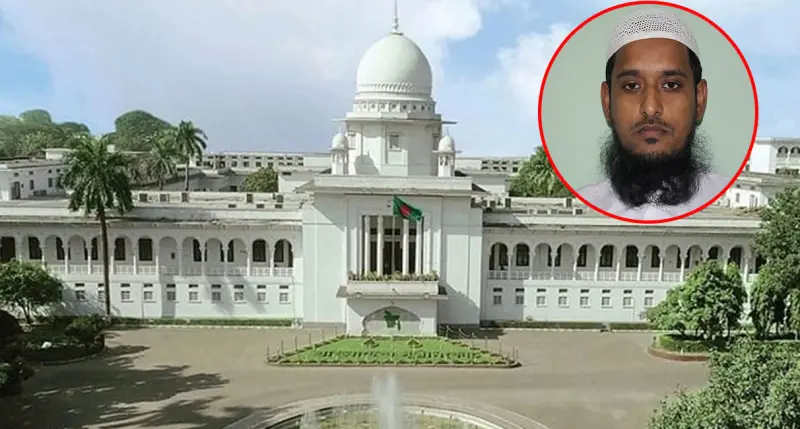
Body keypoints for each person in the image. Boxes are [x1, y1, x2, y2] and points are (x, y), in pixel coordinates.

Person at [577, 8, 730, 221]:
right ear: (607, 101)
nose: (650, 108)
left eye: (671, 85)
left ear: (699, 100)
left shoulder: (725, 195)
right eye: (631, 86)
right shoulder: (587, 201)